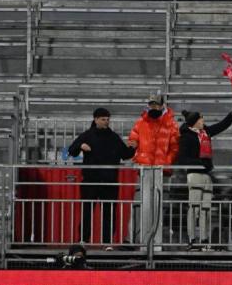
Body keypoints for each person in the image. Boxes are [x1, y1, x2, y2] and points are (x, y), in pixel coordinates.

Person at [68, 108, 135, 249]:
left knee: (108, 213)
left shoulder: (114, 137)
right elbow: (72, 151)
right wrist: (80, 146)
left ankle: (106, 242)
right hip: (90, 181)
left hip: (109, 181)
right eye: (103, 119)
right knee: (87, 212)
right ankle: (83, 241)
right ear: (96, 119)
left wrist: (133, 148)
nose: (106, 122)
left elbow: (125, 155)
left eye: (108, 119)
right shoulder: (87, 135)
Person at [177, 105, 232, 251]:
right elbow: (183, 159)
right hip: (194, 174)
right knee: (194, 208)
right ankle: (192, 239)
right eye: (200, 118)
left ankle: (204, 240)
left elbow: (221, 126)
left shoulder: (205, 132)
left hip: (206, 175)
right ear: (194, 122)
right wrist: (200, 163)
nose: (203, 120)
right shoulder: (186, 137)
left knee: (205, 208)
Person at [128, 93, 180, 247]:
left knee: (160, 206)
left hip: (162, 172)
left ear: (163, 105)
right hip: (144, 170)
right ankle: (136, 241)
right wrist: (137, 155)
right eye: (151, 104)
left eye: (156, 104)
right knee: (140, 205)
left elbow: (175, 147)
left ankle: (157, 242)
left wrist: (166, 162)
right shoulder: (140, 123)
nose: (153, 107)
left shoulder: (171, 124)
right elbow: (132, 141)